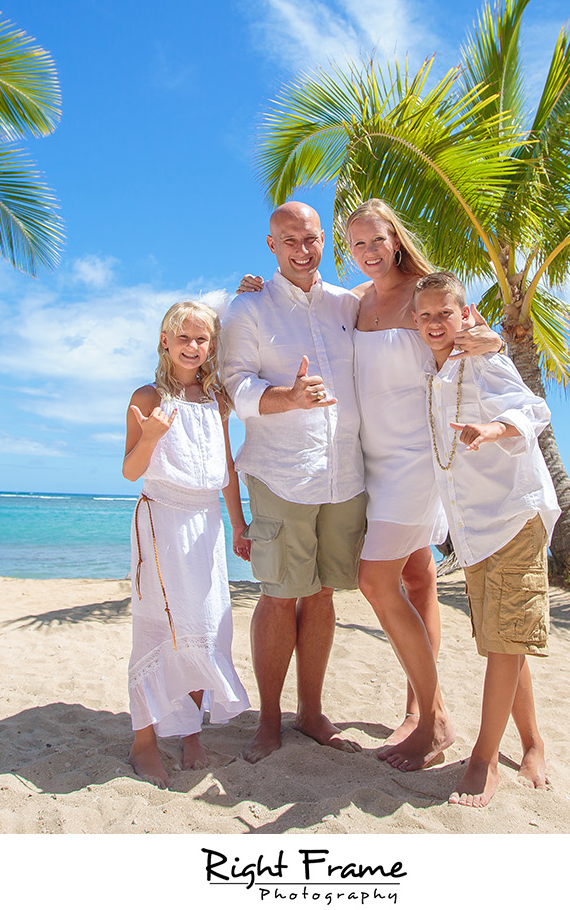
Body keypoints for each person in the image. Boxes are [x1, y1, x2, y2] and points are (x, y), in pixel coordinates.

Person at [237, 199, 503, 772]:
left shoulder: (423, 295)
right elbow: (290, 311)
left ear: (397, 238)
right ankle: (423, 709)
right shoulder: (351, 300)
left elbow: (473, 335)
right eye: (356, 245)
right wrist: (254, 291)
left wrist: (495, 341)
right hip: (365, 458)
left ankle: (429, 715)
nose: (368, 253)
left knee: (389, 577)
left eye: (376, 241)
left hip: (414, 455)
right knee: (414, 573)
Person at [219, 202, 366, 763]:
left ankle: (310, 713)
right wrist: (289, 397)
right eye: (289, 240)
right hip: (281, 471)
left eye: (310, 239)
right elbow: (234, 385)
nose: (302, 250)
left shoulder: (348, 304)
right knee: (280, 596)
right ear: (270, 245)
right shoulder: (248, 306)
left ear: (323, 239)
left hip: (345, 472)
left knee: (325, 593)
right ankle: (269, 719)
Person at [412, 269, 559, 807]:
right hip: (472, 526)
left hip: (514, 516)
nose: (434, 323)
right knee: (504, 639)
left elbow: (532, 409)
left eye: (444, 314)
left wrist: (490, 430)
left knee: (504, 642)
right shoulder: (431, 365)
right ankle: (533, 742)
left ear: (465, 313)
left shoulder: (483, 357)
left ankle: (485, 759)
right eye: (424, 315)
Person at [122, 300, 250, 788]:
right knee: (158, 631)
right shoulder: (148, 396)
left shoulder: (217, 399)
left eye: (202, 339)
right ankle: (144, 741)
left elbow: (227, 471)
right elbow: (132, 470)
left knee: (206, 626)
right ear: (165, 340)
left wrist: (238, 525)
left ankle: (191, 732)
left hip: (207, 526)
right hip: (162, 524)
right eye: (184, 338)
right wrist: (151, 436)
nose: (193, 347)